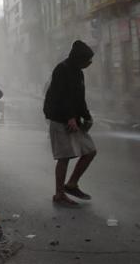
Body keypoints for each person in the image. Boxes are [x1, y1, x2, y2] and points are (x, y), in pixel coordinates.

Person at [43, 40, 97, 207]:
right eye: (87, 60)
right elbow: (61, 97)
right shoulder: (62, 69)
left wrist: (87, 117)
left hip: (74, 120)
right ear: (78, 58)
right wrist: (70, 117)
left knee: (90, 151)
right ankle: (59, 194)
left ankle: (72, 184)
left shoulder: (79, 73)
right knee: (64, 157)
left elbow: (79, 98)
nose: (89, 63)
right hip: (60, 119)